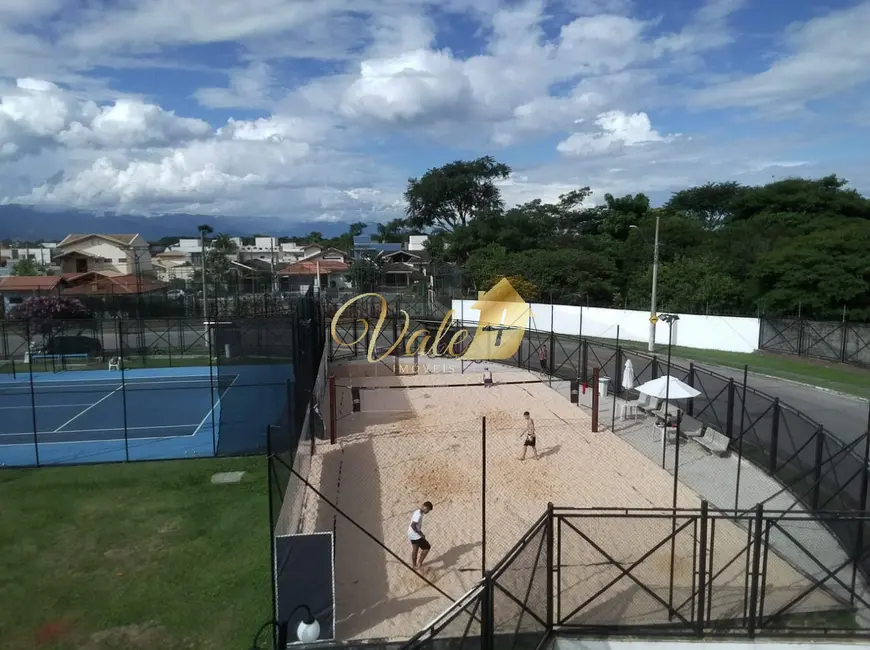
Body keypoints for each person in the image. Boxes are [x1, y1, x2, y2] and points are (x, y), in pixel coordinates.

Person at [408, 501, 433, 569]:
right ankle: (419, 563)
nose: (427, 512)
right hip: (416, 535)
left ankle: (414, 566)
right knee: (427, 547)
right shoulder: (419, 514)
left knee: (415, 549)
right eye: (427, 510)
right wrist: (420, 534)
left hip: (410, 533)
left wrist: (420, 531)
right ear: (424, 507)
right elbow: (413, 525)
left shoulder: (417, 511)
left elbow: (415, 525)